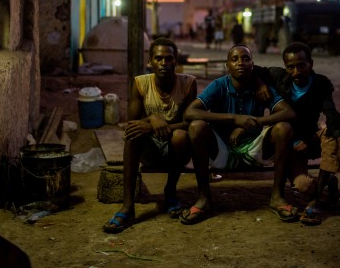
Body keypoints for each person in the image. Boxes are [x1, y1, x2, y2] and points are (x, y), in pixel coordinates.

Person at [181, 44, 298, 225]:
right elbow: (190, 113)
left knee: (284, 128)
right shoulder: (219, 85)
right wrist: (235, 119)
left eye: (245, 58)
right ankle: (204, 198)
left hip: (254, 151)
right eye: (234, 59)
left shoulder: (262, 88)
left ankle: (277, 197)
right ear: (227, 65)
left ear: (253, 64)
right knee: (196, 127)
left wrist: (254, 122)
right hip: (222, 151)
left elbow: (288, 113)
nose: (240, 63)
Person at [103, 38, 197, 234]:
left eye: (169, 58)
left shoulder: (188, 83)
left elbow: (191, 122)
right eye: (159, 58)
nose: (164, 63)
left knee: (180, 135)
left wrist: (159, 125)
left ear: (176, 61)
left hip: (177, 150)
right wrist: (153, 119)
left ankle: (170, 191)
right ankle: (127, 207)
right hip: (151, 151)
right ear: (150, 62)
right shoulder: (141, 83)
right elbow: (133, 121)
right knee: (132, 135)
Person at [255, 42, 340, 226]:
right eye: (290, 67)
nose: (296, 71)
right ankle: (328, 182)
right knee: (302, 186)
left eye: (301, 65)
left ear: (311, 64)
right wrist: (260, 84)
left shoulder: (321, 83)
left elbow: (331, 113)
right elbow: (253, 70)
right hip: (289, 144)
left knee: (331, 133)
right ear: (285, 67)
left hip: (312, 139)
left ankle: (315, 203)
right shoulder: (278, 77)